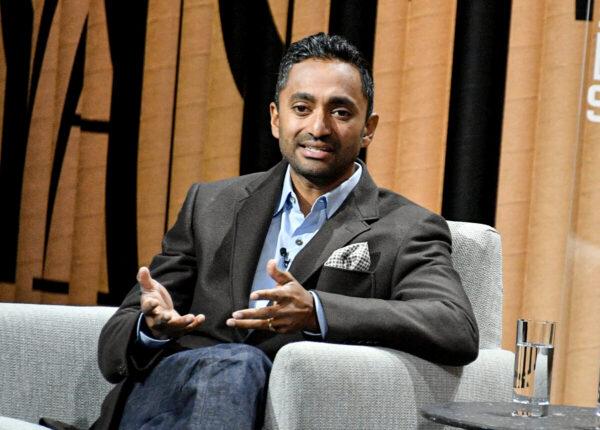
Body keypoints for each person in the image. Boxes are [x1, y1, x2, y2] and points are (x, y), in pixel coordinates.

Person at [71, 33, 478, 430]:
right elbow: (114, 345)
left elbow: (454, 325)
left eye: (340, 112)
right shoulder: (211, 205)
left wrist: (318, 310)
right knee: (237, 363)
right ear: (275, 118)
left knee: (244, 365)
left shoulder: (406, 228)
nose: (318, 127)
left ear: (368, 128)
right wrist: (151, 328)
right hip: (168, 398)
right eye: (302, 108)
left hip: (285, 408)